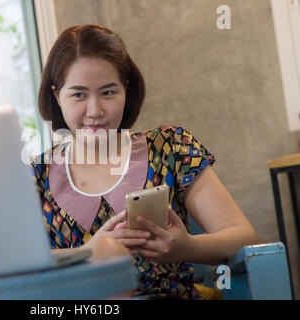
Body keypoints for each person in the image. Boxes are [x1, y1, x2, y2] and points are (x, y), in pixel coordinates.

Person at [30, 24, 259, 300]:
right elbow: (13, 268)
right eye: (78, 94)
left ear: (126, 89)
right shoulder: (35, 175)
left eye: (108, 92)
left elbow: (244, 237)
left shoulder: (171, 146)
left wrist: (186, 247)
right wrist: (90, 253)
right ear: (56, 95)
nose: (95, 110)